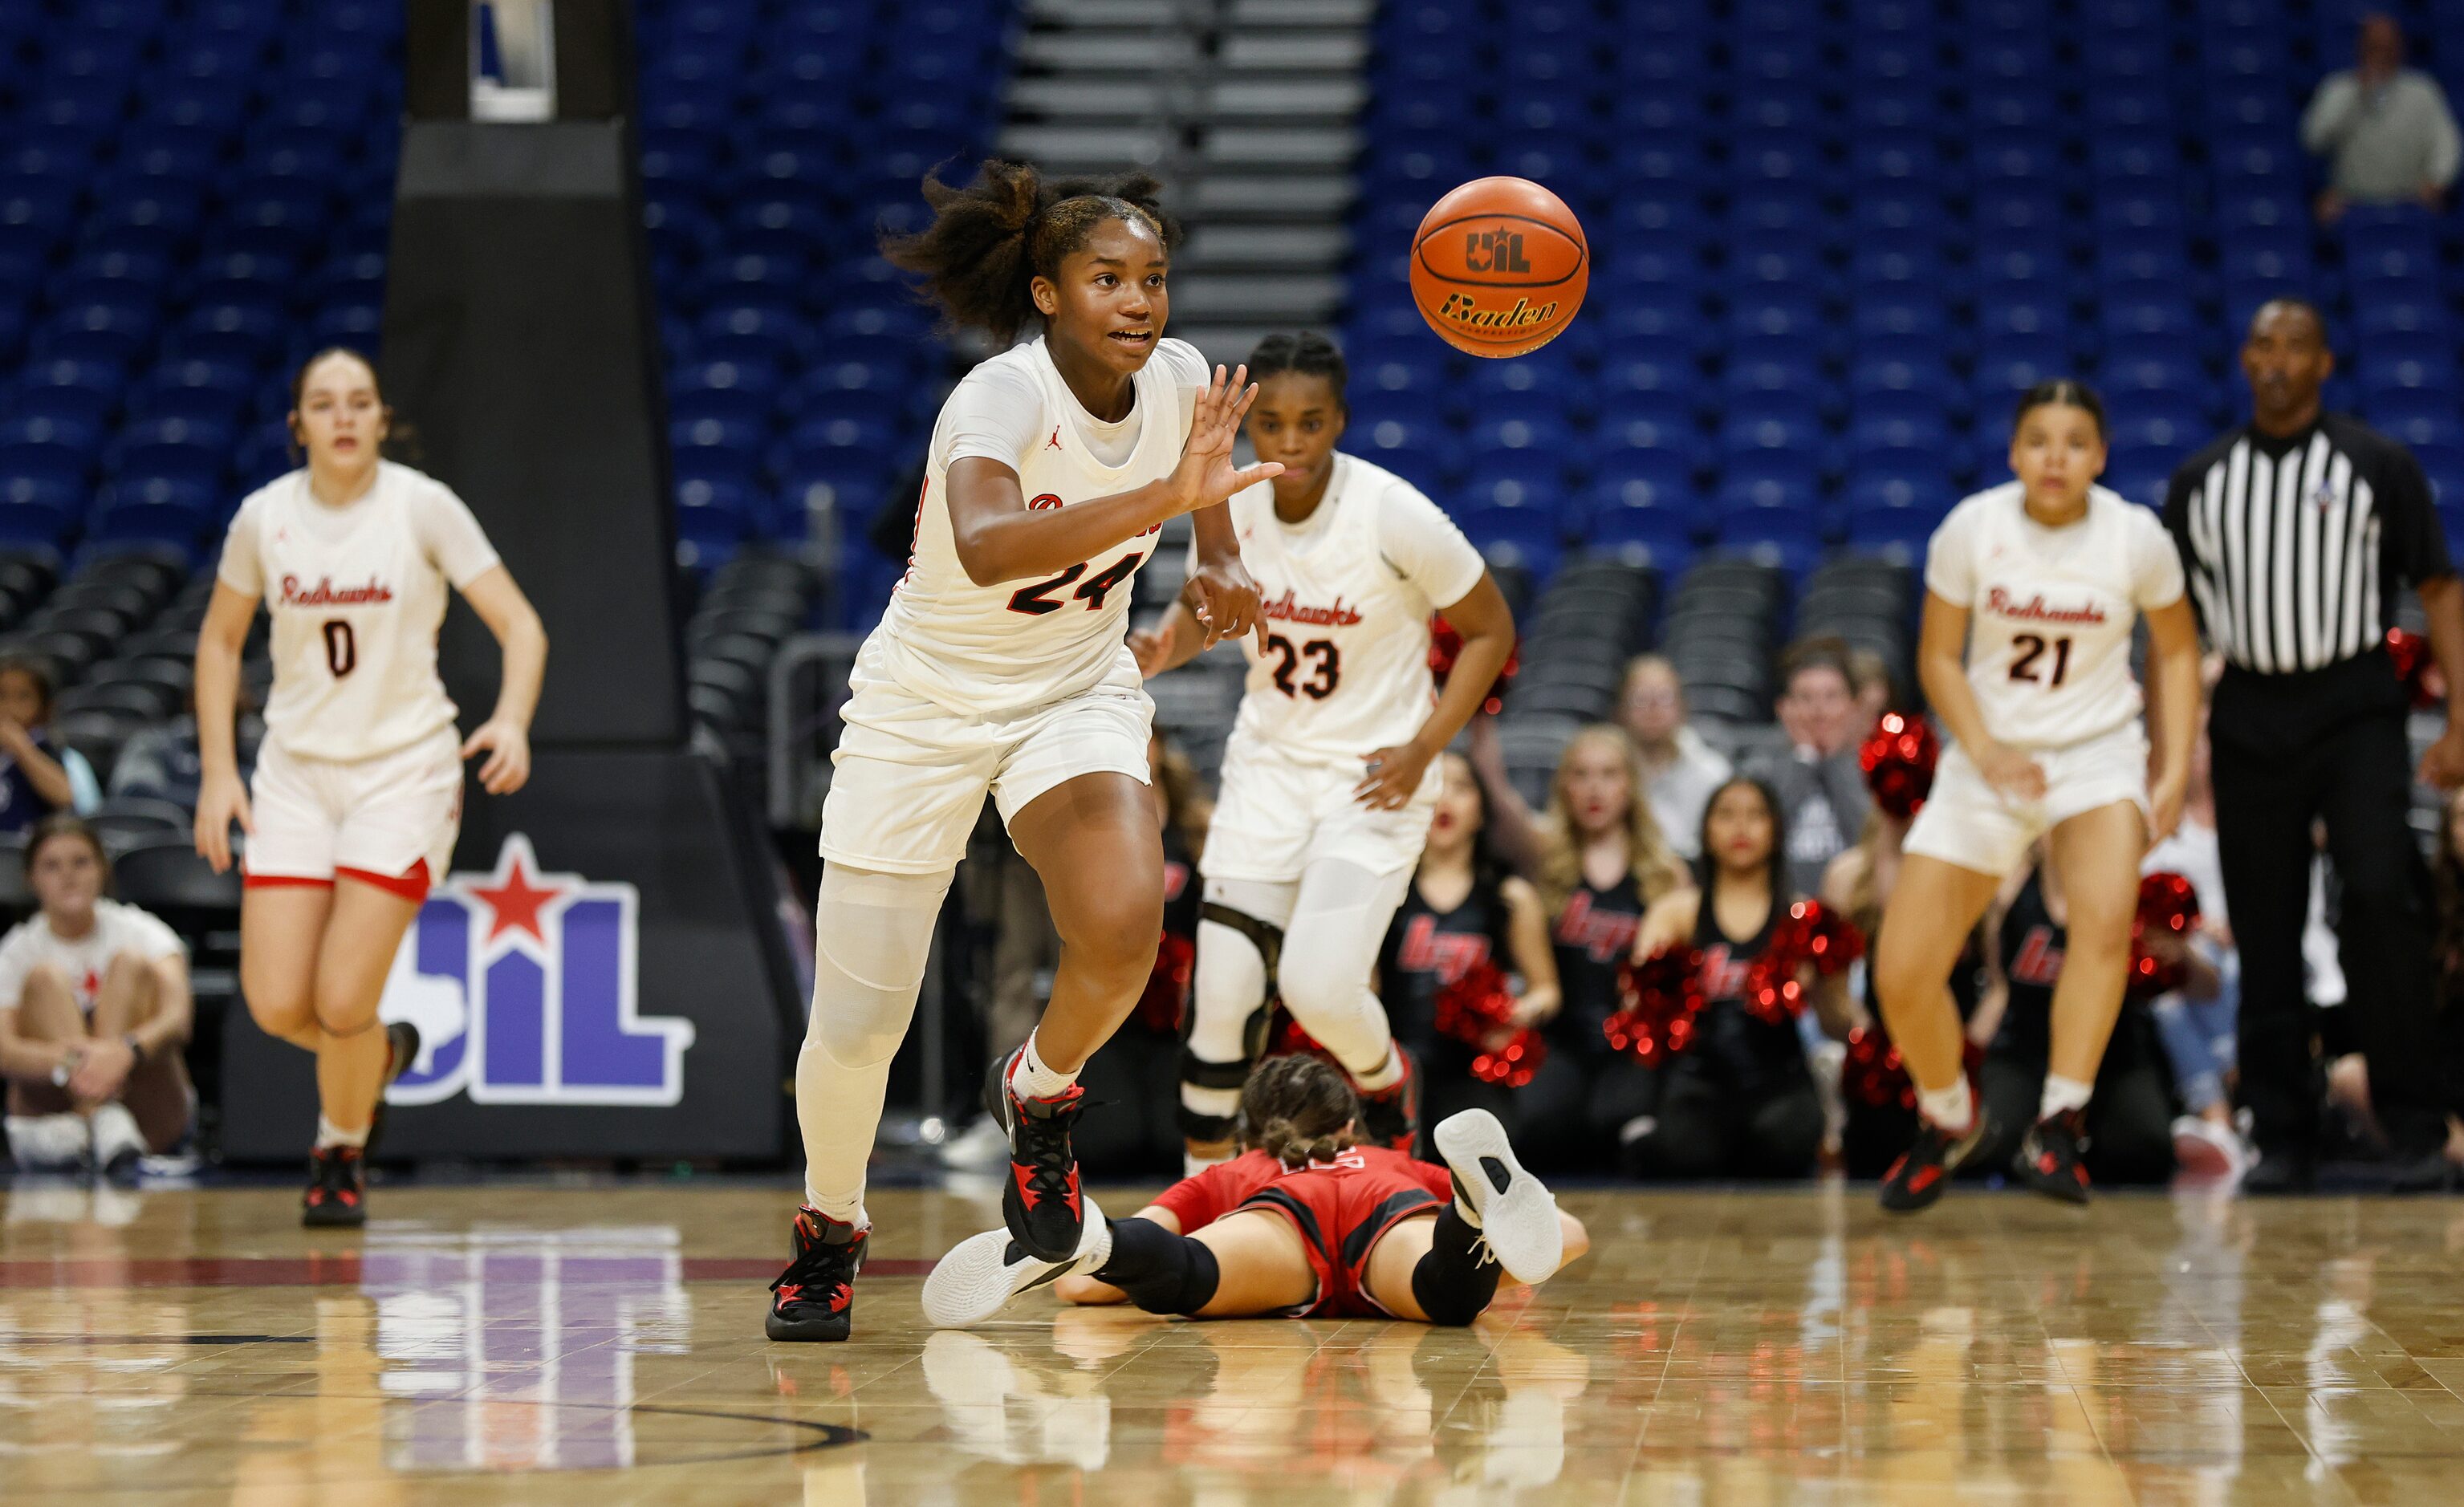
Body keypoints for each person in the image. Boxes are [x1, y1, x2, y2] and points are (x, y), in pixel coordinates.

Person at [767, 162, 1275, 1342]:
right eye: (1109, 278)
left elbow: (1211, 536)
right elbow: (994, 546)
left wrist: (1223, 572)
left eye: (1153, 278)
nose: (1140, 300)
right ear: (1047, 293)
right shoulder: (994, 401)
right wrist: (1166, 491)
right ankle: (827, 1226)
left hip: (1073, 687)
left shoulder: (1187, 377)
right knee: (858, 1025)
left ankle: (1037, 1095)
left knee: (1123, 922)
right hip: (921, 706)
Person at [1128, 330, 1515, 1170]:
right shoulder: (1227, 504)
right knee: (1222, 995)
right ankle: (1203, 1202)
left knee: (1316, 985)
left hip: (1373, 781)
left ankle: (1387, 1090)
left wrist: (1424, 749)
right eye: (1271, 423)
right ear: (1250, 427)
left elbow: (1490, 629)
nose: (1290, 442)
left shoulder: (1393, 512)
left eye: (1309, 422)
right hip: (1267, 770)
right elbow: (1212, 609)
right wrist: (1163, 643)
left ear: (1338, 420)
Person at [193, 347, 547, 1229]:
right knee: (279, 1004)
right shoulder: (262, 519)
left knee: (342, 999)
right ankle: (380, 1054)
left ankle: (340, 1144)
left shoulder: (421, 506)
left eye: (359, 402)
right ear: (298, 424)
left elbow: (521, 626)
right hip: (295, 775)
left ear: (381, 419)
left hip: (405, 770)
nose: (343, 416)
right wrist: (216, 772)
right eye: (324, 402)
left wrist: (508, 719)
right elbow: (217, 645)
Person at [1874, 379, 2201, 1211]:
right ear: (2015, 452)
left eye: (2074, 441)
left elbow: (2173, 653)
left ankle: (2059, 1122)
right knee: (1903, 970)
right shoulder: (1971, 529)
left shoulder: (2135, 538)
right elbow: (1938, 658)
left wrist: (2165, 772)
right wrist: (1984, 749)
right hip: (1989, 756)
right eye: (2038, 440)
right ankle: (1948, 1118)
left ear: (2100, 454)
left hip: (2096, 754)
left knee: (2099, 926)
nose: (2055, 457)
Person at [2164, 298, 2464, 1192]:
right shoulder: (2201, 480)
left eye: (2297, 345)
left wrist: (2461, 723)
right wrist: (2169, 752)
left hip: (2356, 704)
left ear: (2325, 364)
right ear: (2244, 359)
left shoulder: (2377, 464)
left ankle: (2412, 1127)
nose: (2278, 359)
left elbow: (2440, 589)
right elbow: (2173, 632)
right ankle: (2281, 1135)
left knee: (2380, 896)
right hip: (2249, 709)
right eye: (2262, 343)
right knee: (2263, 920)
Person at [921, 1054, 1587, 1329]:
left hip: (1278, 1220)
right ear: (1349, 1126)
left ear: (1249, 1134)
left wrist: (1104, 1268)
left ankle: (1095, 1239)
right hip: (1388, 1210)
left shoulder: (1229, 1174)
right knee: (1446, 1294)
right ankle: (1468, 1222)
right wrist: (1497, 1266)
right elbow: (1569, 1236)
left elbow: (1081, 1294)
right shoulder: (1388, 1159)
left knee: (1185, 1271)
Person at [1594, 775, 1850, 1179]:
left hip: (1780, 1084)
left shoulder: (1804, 917)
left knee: (1783, 1144)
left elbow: (1838, 1023)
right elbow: (1634, 1013)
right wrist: (1662, 991)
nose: (1741, 828)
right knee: (1688, 1152)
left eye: (1755, 815)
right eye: (1726, 815)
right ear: (1707, 831)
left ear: (1777, 830)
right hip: (1700, 1081)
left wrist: (1825, 982)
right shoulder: (1676, 913)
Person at [1967, 850, 2179, 1187]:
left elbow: (2197, 982)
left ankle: (2074, 1147)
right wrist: (1966, 1061)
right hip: (2025, 1049)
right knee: (1994, 1145)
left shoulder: (2125, 884)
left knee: (2144, 1148)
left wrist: (2182, 958)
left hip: (2113, 1054)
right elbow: (1998, 988)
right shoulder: (2009, 887)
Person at [1376, 752, 1561, 1134]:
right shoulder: (1383, 890)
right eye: (1433, 787)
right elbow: (1367, 987)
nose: (1445, 800)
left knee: (1480, 1152)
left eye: (1461, 788)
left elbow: (1547, 989)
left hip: (1477, 1068)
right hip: (1397, 1064)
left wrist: (1517, 1012)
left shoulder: (1512, 896)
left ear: (1481, 810)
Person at [1535, 725, 1692, 1170]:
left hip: (1634, 1045)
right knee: (1541, 1125)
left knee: (1618, 1125)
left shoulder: (1666, 874)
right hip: (1562, 1041)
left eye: (1608, 774)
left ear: (1630, 786)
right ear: (1564, 786)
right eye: (1581, 775)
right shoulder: (1546, 865)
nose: (1594, 789)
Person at [0, 816, 193, 1179]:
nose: (68, 876)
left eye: (81, 862)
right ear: (31, 878)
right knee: (44, 980)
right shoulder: (15, 951)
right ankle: (102, 1119)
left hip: (149, 1111)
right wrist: (77, 1060)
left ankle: (103, 1122)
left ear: (102, 870)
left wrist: (124, 1051)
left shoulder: (144, 931)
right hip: (54, 1114)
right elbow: (4, 1050)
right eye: (52, 866)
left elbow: (178, 1018)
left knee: (130, 964)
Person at [1073, 730, 1213, 1177]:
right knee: (1110, 1146)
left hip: (1176, 1018)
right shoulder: (1094, 828)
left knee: (1171, 1145)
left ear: (1159, 750)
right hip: (1113, 1012)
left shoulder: (1196, 831)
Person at [1475, 653, 1730, 867]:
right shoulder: (1600, 758)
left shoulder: (1712, 775)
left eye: (1664, 697)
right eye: (1640, 698)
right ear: (1620, 711)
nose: (1653, 708)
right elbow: (1533, 831)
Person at [2138, 701, 2251, 1179]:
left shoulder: (2249, 824)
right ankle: (2230, 1108)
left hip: (2239, 956)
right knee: (2170, 993)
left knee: (2225, 970)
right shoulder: (2154, 833)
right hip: (2179, 958)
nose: (2197, 754)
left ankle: (2217, 1115)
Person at [2301, 14, 2462, 221]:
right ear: (2361, 48)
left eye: (2388, 47)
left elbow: (2447, 142)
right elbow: (2313, 140)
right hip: (2350, 203)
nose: (2381, 55)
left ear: (2400, 48)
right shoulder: (2338, 89)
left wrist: (2437, 181)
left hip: (2411, 202)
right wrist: (2356, 96)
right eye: (2374, 47)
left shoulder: (2423, 90)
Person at [1746, 640, 1871, 897]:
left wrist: (1836, 761)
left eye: (1832, 697)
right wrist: (1805, 759)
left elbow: (1867, 839)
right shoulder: (1759, 773)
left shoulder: (1874, 771)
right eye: (1805, 698)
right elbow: (1762, 841)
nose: (1819, 711)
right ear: (1784, 709)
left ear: (1854, 707)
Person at [0, 656, 100, 833]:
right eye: (2, 695)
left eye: (23, 697)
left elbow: (65, 796)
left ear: (45, 707)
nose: (9, 707)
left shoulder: (52, 752)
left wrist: (20, 747)